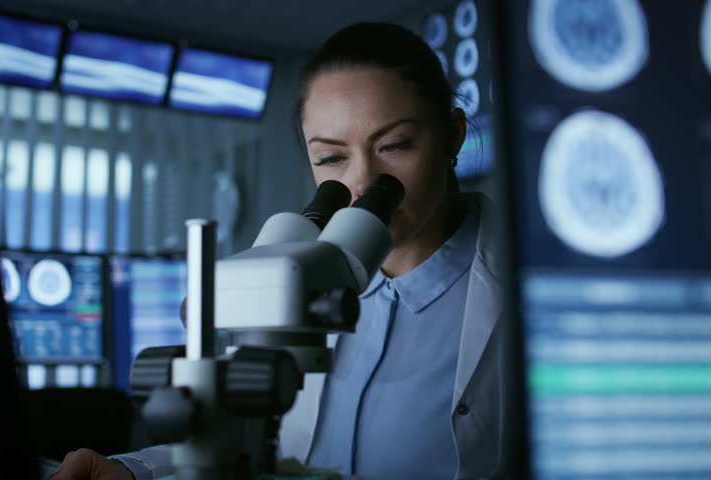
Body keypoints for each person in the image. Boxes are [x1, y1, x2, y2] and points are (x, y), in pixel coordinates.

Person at [51, 22, 515, 480]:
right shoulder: (300, 277)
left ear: (453, 135)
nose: (362, 184)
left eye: (394, 145)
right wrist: (133, 471)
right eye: (332, 158)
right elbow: (233, 435)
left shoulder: (528, 291)